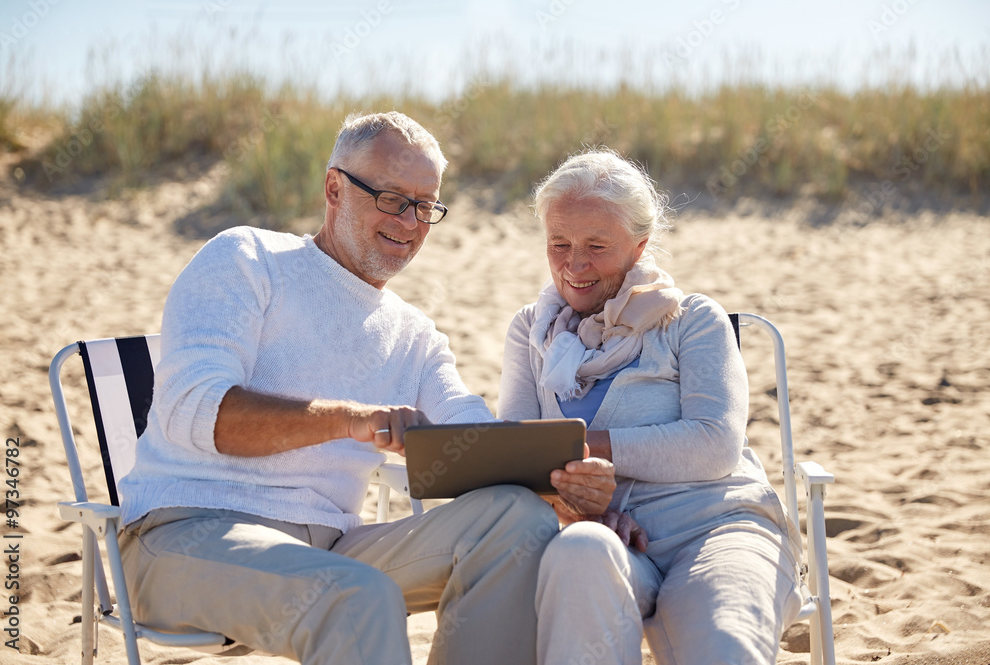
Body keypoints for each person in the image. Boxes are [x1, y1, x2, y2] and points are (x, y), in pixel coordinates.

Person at [116, 111, 614, 665]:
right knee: (359, 596)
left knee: (517, 520)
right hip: (185, 534)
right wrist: (346, 420)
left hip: (332, 546)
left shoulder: (414, 334)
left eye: (426, 205)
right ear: (334, 187)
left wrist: (562, 482)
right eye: (393, 198)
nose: (411, 221)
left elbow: (469, 428)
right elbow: (195, 411)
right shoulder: (247, 259)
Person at [498, 148, 803, 665]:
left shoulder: (693, 320)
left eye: (596, 245)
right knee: (577, 555)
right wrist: (575, 508)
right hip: (603, 532)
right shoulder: (532, 331)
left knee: (723, 644)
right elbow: (515, 458)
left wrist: (577, 446)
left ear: (639, 247)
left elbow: (714, 445)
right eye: (559, 243)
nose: (574, 264)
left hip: (715, 527)